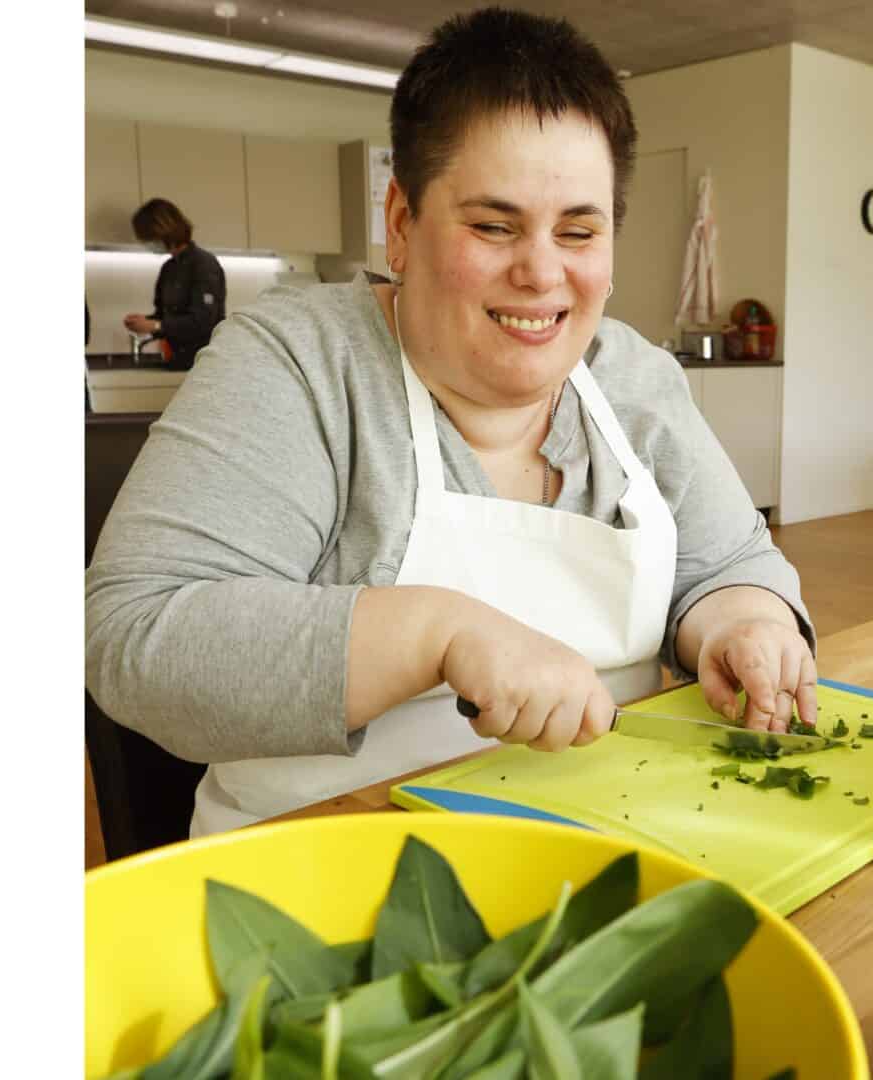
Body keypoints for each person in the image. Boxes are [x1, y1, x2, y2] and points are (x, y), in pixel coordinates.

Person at [85, 6, 819, 837]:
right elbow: (137, 639)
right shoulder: (301, 364)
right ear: (401, 223)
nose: (542, 273)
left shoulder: (633, 377)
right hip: (329, 875)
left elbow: (728, 558)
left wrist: (744, 619)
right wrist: (439, 632)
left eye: (579, 231)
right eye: (493, 225)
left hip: (621, 839)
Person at [123, 198, 226, 372]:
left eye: (148, 238)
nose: (148, 244)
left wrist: (156, 326)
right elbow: (164, 316)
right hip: (177, 361)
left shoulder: (204, 264)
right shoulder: (168, 268)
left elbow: (203, 321)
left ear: (163, 230)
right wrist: (145, 322)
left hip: (204, 364)